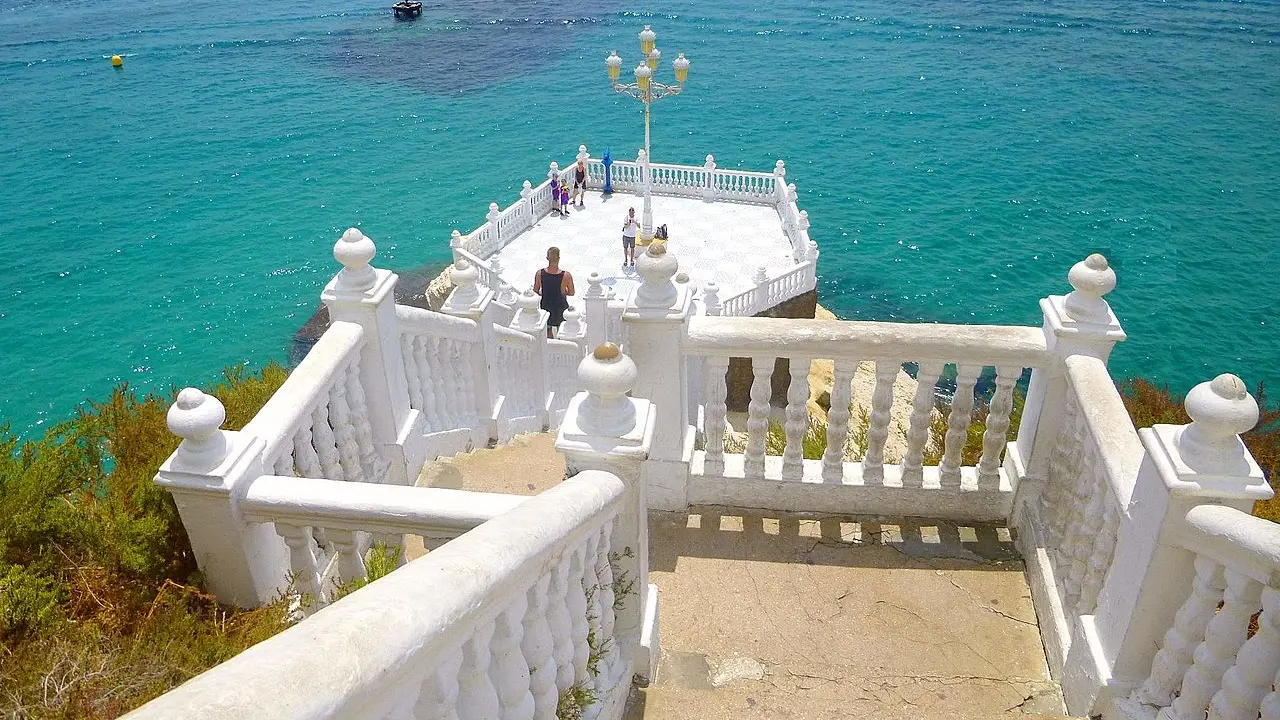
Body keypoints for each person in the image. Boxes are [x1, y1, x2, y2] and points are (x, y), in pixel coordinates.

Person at [533, 246, 575, 338]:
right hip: (560, 308)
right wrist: (563, 291)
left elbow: (535, 291)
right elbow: (572, 293)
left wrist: (543, 292)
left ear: (547, 258)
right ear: (558, 258)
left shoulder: (539, 273)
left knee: (548, 334)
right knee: (562, 333)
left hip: (546, 307)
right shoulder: (566, 275)